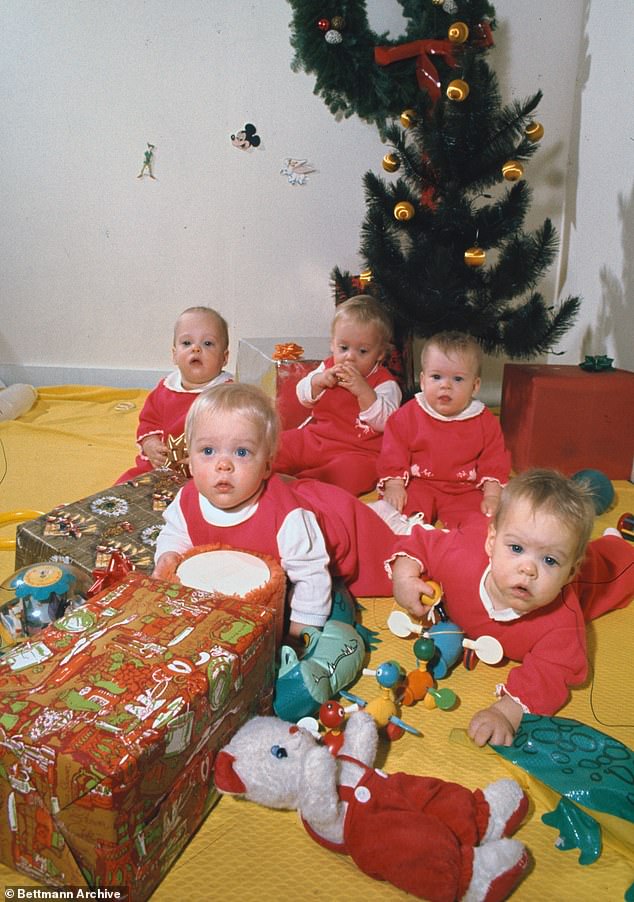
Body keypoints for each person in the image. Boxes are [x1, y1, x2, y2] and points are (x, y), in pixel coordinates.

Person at [387, 469, 634, 747]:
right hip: (485, 535)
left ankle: (616, 542)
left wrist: (506, 712)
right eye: (516, 548)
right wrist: (404, 576)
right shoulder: (461, 556)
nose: (528, 569)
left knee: (617, 568)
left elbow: (554, 670)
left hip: (597, 577)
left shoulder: (561, 620)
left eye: (549, 561)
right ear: (492, 542)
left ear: (569, 573)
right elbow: (422, 541)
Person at [153, 383, 398, 640]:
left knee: (380, 549)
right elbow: (175, 532)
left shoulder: (287, 516)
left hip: (335, 527)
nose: (223, 465)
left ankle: (389, 517)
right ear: (190, 462)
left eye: (241, 452)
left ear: (267, 465)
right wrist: (168, 554)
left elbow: (311, 574)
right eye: (208, 451)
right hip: (250, 560)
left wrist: (301, 628)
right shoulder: (187, 498)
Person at [375, 331, 510, 528]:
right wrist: (394, 484)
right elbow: (393, 451)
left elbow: (494, 459)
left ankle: (461, 540)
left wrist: (492, 495)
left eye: (458, 379)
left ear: (475, 386)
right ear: (423, 381)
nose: (445, 385)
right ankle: (412, 535)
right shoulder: (408, 415)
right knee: (397, 512)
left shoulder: (484, 420)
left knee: (484, 521)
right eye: (436, 377)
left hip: (464, 489)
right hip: (418, 483)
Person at [271, 296, 402, 496]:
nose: (350, 356)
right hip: (318, 438)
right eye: (343, 348)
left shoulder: (386, 383)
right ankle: (266, 471)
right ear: (332, 344)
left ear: (380, 354)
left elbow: (388, 423)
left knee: (354, 472)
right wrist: (318, 381)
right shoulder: (328, 367)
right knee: (282, 443)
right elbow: (302, 395)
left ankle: (305, 485)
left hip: (359, 452)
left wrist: (364, 391)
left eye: (362, 351)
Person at [116, 306, 232, 483]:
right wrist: (151, 444)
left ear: (224, 358)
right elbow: (149, 422)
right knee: (127, 484)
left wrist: (209, 456)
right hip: (161, 467)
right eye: (186, 343)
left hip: (208, 472)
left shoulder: (229, 394)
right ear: (175, 355)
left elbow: (237, 434)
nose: (196, 349)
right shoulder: (166, 389)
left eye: (208, 343)